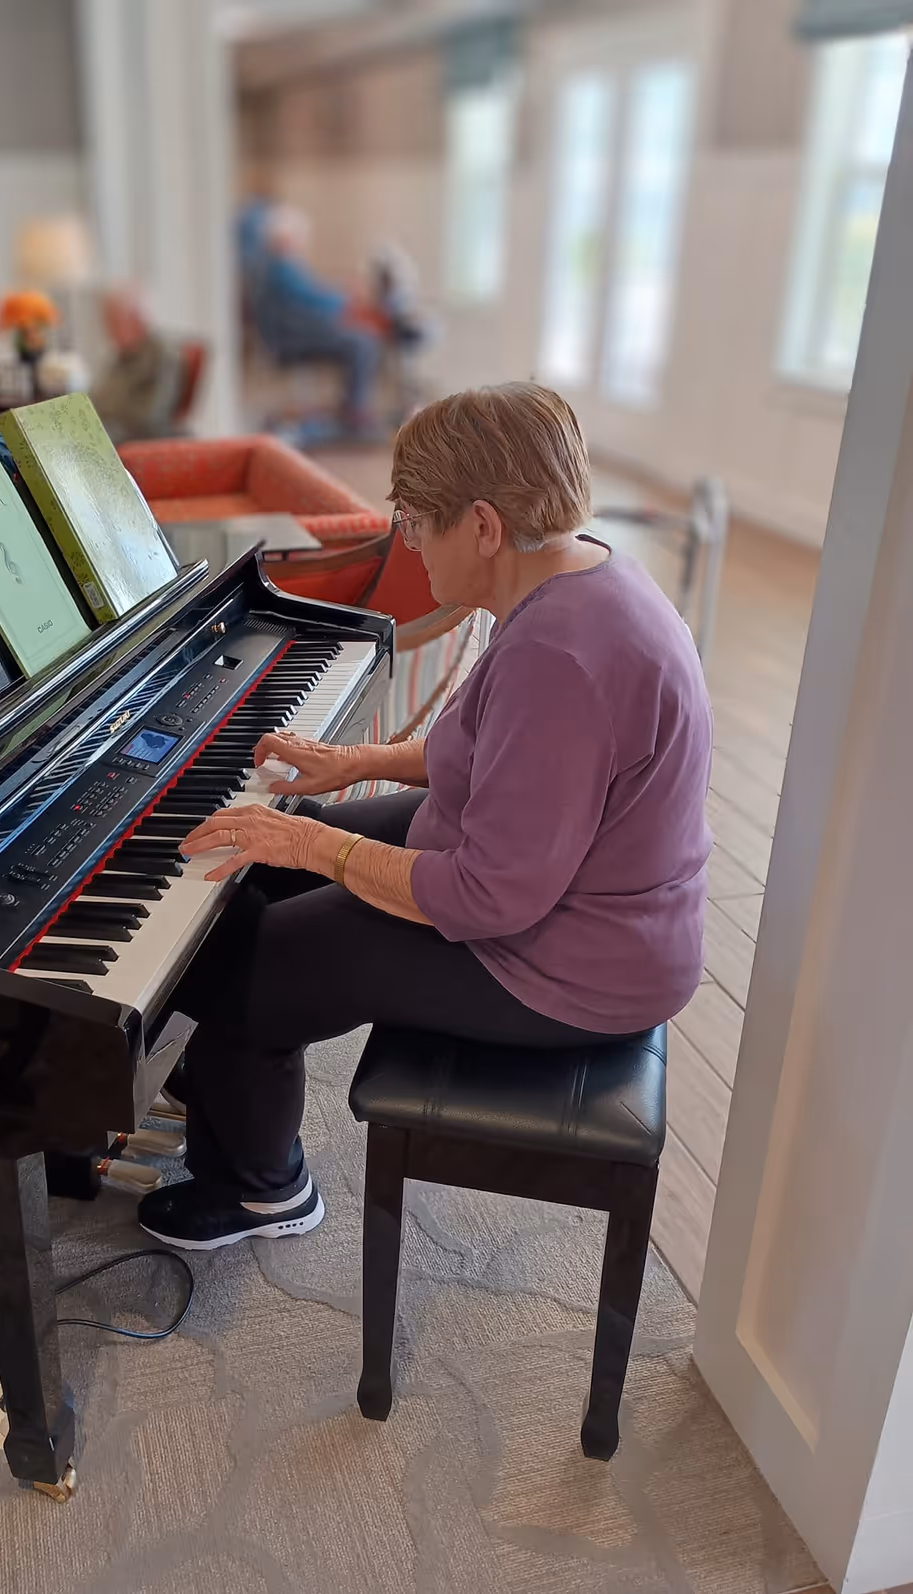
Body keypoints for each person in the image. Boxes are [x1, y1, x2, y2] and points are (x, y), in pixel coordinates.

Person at [137, 383, 713, 1251]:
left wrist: (311, 835)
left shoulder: (561, 653)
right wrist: (355, 764)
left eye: (412, 520)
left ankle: (260, 1188)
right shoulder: (578, 573)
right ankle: (226, 1071)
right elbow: (490, 749)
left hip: (573, 959)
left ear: (481, 525)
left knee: (252, 958)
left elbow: (488, 898)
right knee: (257, 867)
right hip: (559, 885)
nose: (407, 540)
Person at [252, 205, 380, 434]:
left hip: (293, 334)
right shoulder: (280, 267)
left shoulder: (277, 266)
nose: (303, 243)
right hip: (290, 340)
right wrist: (347, 296)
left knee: (359, 338)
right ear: (285, 238)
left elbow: (310, 296)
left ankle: (350, 408)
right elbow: (314, 299)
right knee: (361, 342)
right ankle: (353, 412)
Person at [87, 287, 184, 444]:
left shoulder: (162, 354)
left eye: (113, 322)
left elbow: (151, 416)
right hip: (110, 432)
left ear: (136, 319)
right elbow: (99, 400)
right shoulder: (122, 354)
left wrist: (107, 420)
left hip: (141, 441)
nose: (107, 330)